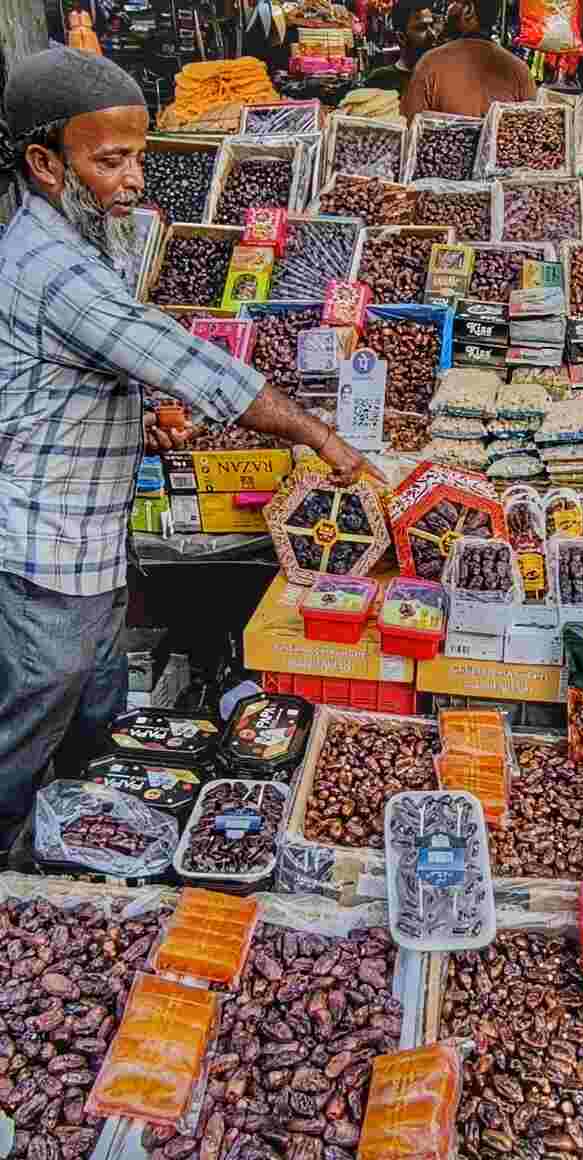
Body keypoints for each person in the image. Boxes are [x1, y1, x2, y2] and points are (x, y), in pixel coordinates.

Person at [0, 47, 385, 852]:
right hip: (44, 545)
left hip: (89, 543)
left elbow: (58, 377)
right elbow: (186, 359)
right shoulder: (50, 263)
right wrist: (320, 436)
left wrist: (138, 416)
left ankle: (81, 851)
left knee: (95, 715)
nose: (136, 179)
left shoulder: (84, 238)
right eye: (111, 160)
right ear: (44, 163)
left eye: (137, 155)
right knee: (36, 713)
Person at [401, 0, 535, 119]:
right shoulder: (520, 70)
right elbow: (530, 131)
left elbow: (411, 131)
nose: (446, 12)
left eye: (451, 3)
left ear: (468, 10)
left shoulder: (430, 64)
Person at [367, 0, 436, 99]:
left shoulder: (442, 76)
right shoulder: (380, 80)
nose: (432, 34)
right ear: (401, 37)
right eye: (421, 28)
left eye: (432, 26)